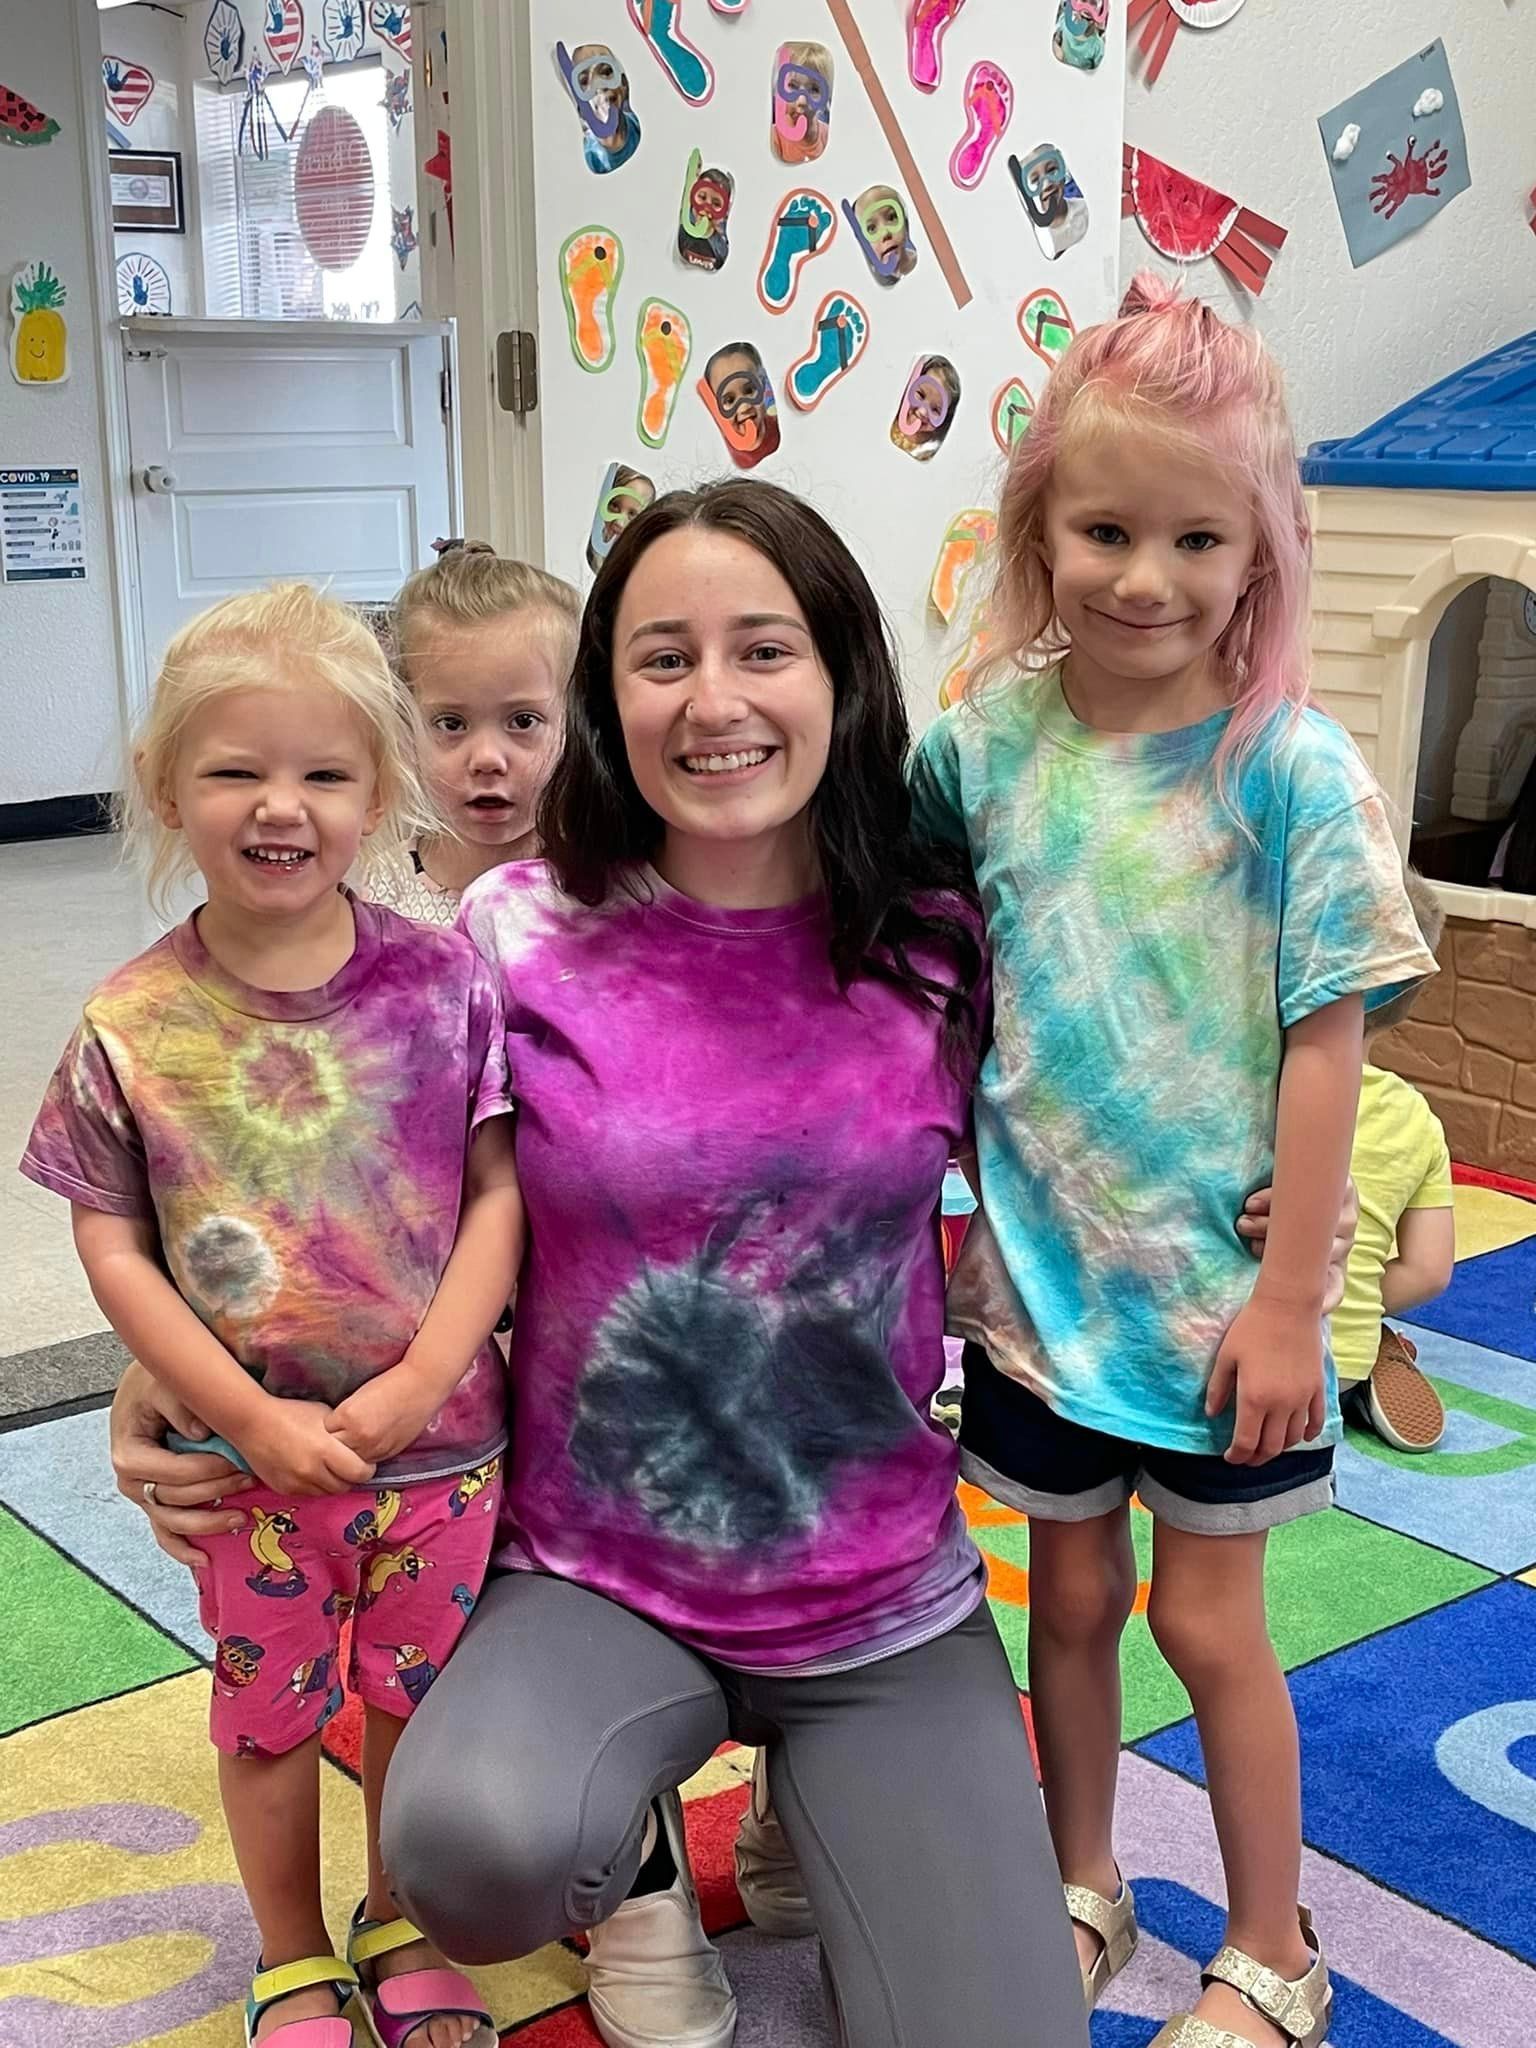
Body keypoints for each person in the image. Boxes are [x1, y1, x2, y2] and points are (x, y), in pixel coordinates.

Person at [911, 279, 1437, 2048]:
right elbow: (916, 975)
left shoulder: (1286, 764)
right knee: (1064, 1597)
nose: (1144, 575)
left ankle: (1274, 1942)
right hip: (1041, 1296)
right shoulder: (978, 746)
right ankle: (1081, 1877)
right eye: (1105, 528)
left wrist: (1300, 1298)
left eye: (1194, 536)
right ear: (1038, 529)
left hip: (1222, 1312)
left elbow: (1325, 1035)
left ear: (1261, 548)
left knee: (1213, 1630)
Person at [21, 585, 524, 2048]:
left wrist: (425, 1377)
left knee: (415, 1709)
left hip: (441, 1454)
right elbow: (110, 1242)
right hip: (248, 1476)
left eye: (322, 772)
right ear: (167, 788)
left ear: (380, 792)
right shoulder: (131, 1022)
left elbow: (498, 1193)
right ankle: (294, 1951)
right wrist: (242, 1416)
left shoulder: (445, 985)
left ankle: (406, 1920)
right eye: (236, 770)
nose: (279, 806)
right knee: (268, 1720)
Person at [369, 542, 579, 926]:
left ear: (572, 721)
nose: (486, 759)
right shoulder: (373, 898)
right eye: (451, 724)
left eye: (523, 721)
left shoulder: (599, 893)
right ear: (405, 723)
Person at [1331, 870, 1455, 1451]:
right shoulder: (1417, 1120)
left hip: (1218, 1351)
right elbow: (1430, 1270)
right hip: (1331, 1368)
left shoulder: (1244, 1084)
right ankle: (1361, 1346)